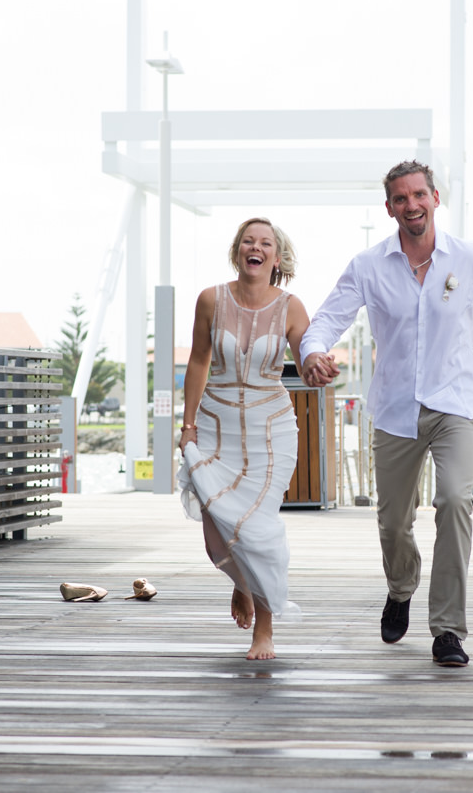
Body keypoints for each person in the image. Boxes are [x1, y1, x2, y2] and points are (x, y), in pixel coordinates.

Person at [300, 160, 473, 667]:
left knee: (456, 501)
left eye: (419, 195)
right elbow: (328, 319)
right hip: (394, 409)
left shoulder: (471, 259)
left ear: (435, 198)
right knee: (394, 522)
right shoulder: (368, 265)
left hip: (455, 405)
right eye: (400, 198)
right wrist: (312, 352)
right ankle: (400, 588)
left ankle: (448, 630)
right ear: (389, 207)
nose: (411, 205)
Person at [178, 217, 311, 661]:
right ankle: (243, 584)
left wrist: (320, 367)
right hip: (215, 427)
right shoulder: (210, 300)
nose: (256, 248)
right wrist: (188, 425)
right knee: (216, 531)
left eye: (265, 243)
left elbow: (308, 361)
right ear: (238, 251)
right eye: (248, 241)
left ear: (277, 257)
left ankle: (265, 631)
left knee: (257, 528)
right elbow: (198, 362)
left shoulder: (291, 308)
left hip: (270, 431)